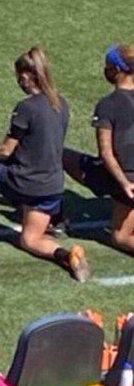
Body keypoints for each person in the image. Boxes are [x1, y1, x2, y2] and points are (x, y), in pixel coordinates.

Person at [0, 47, 91, 281]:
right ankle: (67, 254)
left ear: (26, 76)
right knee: (30, 239)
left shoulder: (26, 108)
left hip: (25, 183)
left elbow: (5, 150)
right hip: (52, 187)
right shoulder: (61, 104)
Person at [63, 44, 134, 254]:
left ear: (118, 69)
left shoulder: (108, 104)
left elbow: (106, 153)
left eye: (108, 66)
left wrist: (125, 184)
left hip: (124, 179)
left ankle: (55, 218)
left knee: (120, 236)